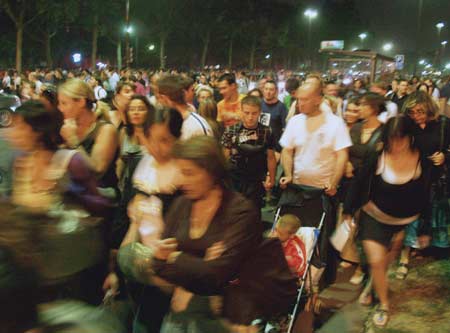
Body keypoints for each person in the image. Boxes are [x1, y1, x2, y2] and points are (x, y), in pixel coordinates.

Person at [343, 116, 430, 327]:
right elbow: (359, 182)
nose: (396, 144)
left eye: (401, 139)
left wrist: (424, 229)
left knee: (383, 262)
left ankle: (373, 282)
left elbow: (426, 195)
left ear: (411, 138)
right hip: (374, 216)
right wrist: (348, 209)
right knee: (376, 260)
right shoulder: (378, 156)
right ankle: (383, 304)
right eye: (392, 139)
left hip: (404, 220)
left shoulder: (421, 159)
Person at [116, 107, 184, 333]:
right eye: (150, 139)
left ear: (178, 138)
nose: (156, 147)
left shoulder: (186, 173)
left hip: (170, 269)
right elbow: (128, 215)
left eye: (165, 140)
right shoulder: (140, 165)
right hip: (139, 264)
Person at [6, 100, 111, 217]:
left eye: (20, 128)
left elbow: (101, 206)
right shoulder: (22, 161)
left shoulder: (70, 161)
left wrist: (70, 192)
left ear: (38, 131)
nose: (13, 134)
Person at [397, 91, 450, 278]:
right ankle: (406, 254)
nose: (416, 116)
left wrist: (445, 156)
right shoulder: (408, 126)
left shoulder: (443, 124)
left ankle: (429, 248)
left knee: (436, 213)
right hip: (415, 177)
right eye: (412, 112)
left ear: (429, 108)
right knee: (411, 216)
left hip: (437, 179)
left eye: (420, 111)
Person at [58, 78, 119, 194]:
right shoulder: (69, 127)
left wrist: (72, 141)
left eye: (64, 103)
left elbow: (97, 171)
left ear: (81, 102)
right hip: (76, 197)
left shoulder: (105, 130)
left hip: (101, 200)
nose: (60, 109)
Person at [221, 95, 277, 210]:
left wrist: (271, 179)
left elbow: (271, 157)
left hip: (256, 177)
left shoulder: (267, 131)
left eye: (254, 113)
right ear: (241, 111)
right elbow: (224, 157)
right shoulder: (231, 130)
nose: (250, 117)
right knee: (235, 209)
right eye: (246, 113)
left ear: (260, 112)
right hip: (235, 176)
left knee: (254, 210)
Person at [157, 74, 212, 140]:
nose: (158, 101)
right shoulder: (165, 122)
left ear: (164, 98)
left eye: (159, 97)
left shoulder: (196, 126)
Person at [272, 214, 307, 279]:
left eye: (280, 234)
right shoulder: (273, 239)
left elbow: (300, 266)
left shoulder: (295, 245)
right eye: (276, 230)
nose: (276, 234)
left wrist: (283, 258)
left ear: (291, 235)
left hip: (290, 275)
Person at [261, 80, 288, 156]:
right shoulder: (258, 104)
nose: (268, 92)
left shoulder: (281, 107)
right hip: (259, 146)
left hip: (274, 148)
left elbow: (285, 129)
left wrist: (280, 149)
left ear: (276, 91)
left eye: (271, 89)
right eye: (266, 89)